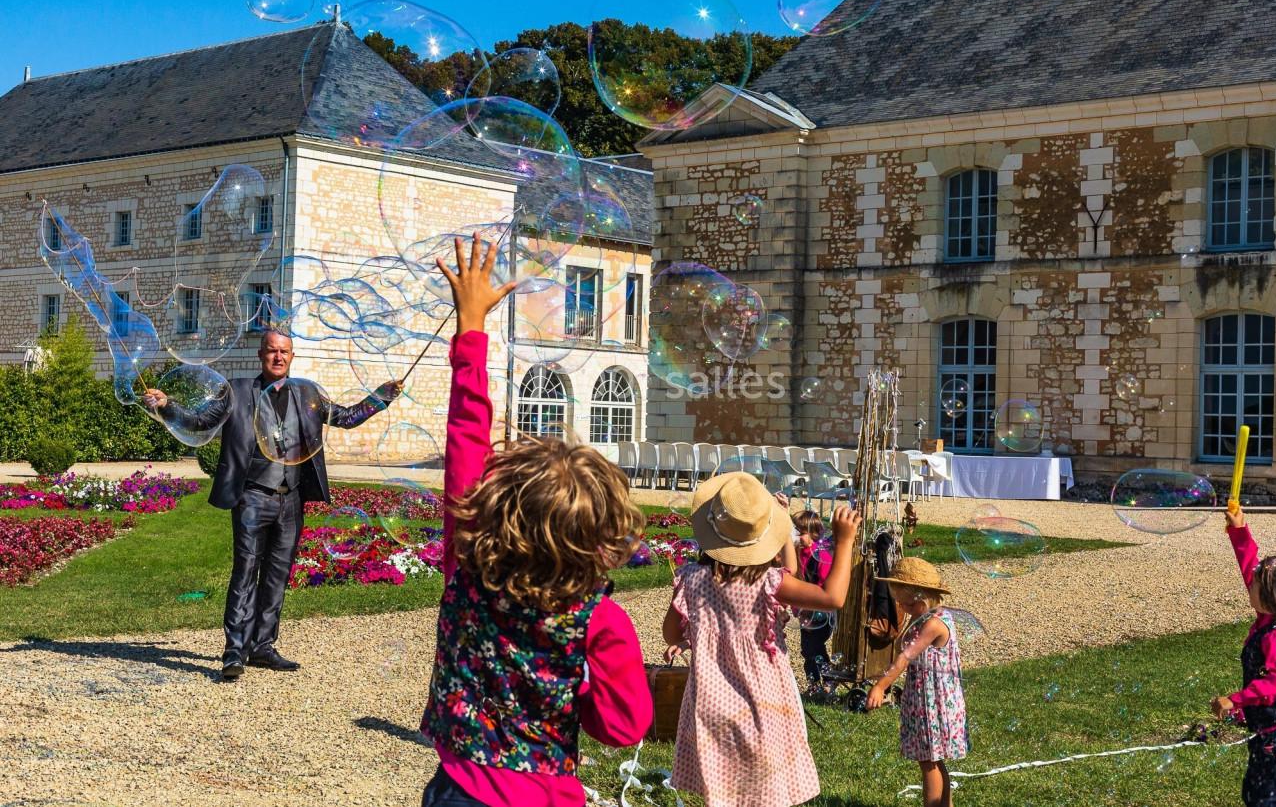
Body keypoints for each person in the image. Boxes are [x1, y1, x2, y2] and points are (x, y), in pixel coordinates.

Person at [418, 235, 651, 807]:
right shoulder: (602, 621)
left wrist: (471, 328)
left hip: (456, 790)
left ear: (494, 505)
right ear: (599, 538)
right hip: (546, 795)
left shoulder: (469, 564)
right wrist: (583, 686)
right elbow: (624, 728)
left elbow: (465, 444)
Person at [142, 330, 401, 681]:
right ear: (261, 355)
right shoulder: (236, 390)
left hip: (291, 497)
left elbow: (347, 417)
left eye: (285, 352)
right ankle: (234, 651)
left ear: (292, 356)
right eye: (272, 351)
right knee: (245, 572)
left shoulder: (306, 393)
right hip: (252, 495)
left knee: (278, 574)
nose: (278, 357)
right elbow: (201, 421)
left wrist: (381, 397)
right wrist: (167, 405)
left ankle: (262, 646)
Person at [661, 472, 861, 807]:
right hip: (764, 705)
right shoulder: (769, 583)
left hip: (710, 707)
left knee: (724, 792)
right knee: (764, 794)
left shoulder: (692, 579)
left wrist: (696, 634)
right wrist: (844, 542)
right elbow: (833, 597)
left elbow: (671, 634)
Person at [866, 558, 968, 807]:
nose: (901, 606)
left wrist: (880, 686)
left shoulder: (932, 624)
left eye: (905, 603)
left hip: (932, 704)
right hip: (929, 699)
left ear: (921, 600)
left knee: (928, 763)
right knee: (933, 759)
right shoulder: (933, 616)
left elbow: (904, 657)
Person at [1214, 507, 1276, 806]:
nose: (1247, 584)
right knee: (1255, 790)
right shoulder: (1269, 617)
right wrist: (1239, 531)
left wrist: (1236, 700)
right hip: (1263, 729)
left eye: (1254, 584)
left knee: (1265, 797)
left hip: (1275, 736)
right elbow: (1249, 566)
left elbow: (1275, 685)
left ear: (1269, 596)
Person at [793, 508, 834, 690]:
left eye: (801, 534)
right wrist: (798, 610)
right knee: (806, 649)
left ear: (814, 533)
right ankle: (812, 683)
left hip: (821, 614)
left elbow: (825, 588)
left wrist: (810, 607)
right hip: (805, 613)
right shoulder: (796, 554)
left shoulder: (822, 557)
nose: (797, 538)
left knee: (816, 646)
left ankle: (828, 679)